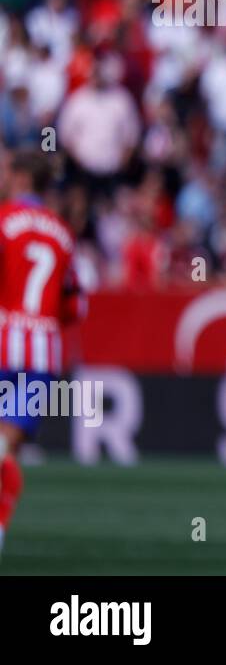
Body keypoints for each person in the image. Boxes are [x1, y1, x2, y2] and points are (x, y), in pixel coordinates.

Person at [0, 149, 83, 558]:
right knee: (7, 450)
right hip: (42, 355)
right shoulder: (62, 232)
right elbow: (75, 305)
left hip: (3, 342)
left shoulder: (3, 220)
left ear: (19, 178)